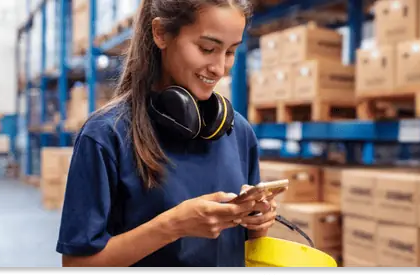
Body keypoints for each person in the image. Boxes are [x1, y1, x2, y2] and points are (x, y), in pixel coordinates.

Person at [55, 0, 280, 268]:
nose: (219, 68)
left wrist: (257, 224)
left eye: (230, 52)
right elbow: (77, 264)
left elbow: (244, 247)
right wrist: (173, 225)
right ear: (160, 33)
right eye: (207, 48)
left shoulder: (238, 132)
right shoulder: (105, 135)